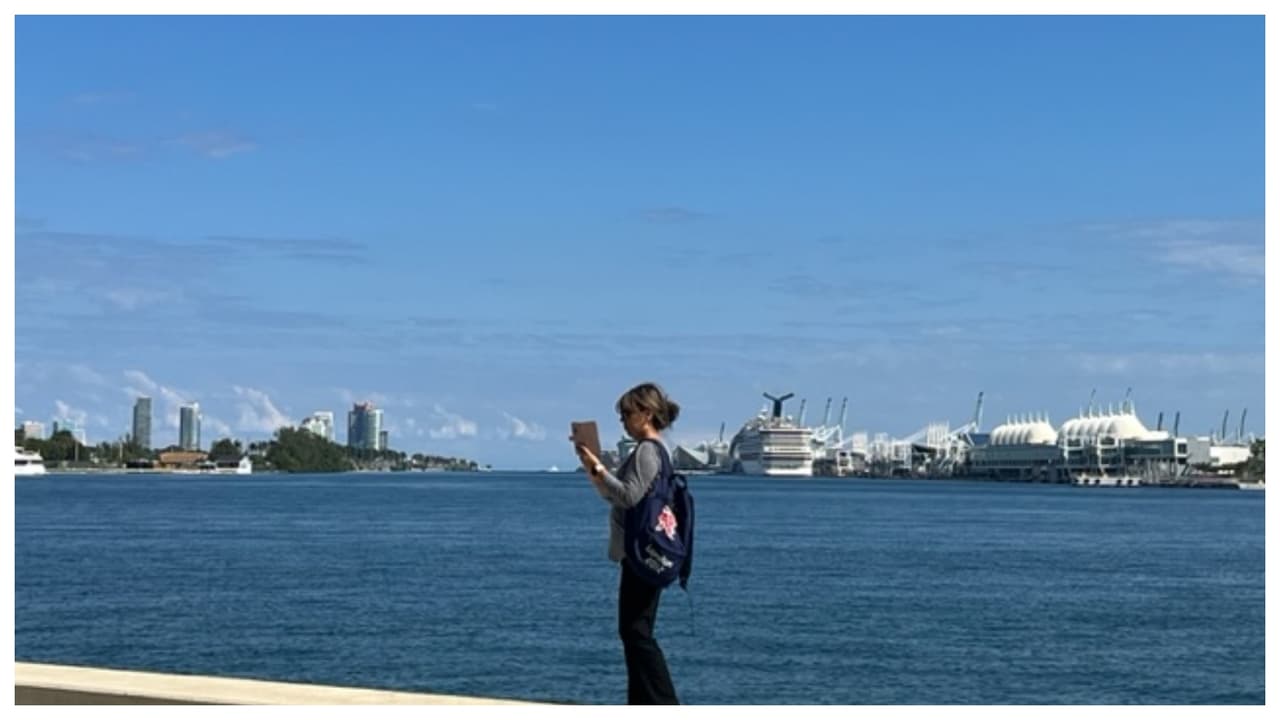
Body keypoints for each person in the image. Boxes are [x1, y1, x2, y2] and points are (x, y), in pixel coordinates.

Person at [573, 381, 681, 705]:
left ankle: (663, 703)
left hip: (642, 553)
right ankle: (640, 703)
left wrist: (598, 467)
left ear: (646, 414)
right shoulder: (652, 450)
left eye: (626, 414)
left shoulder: (648, 451)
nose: (622, 420)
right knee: (634, 632)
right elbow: (617, 495)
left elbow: (629, 495)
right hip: (643, 552)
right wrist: (593, 467)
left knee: (637, 633)